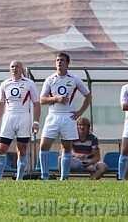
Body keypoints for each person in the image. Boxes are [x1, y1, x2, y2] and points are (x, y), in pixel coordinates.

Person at [39, 52, 92, 180]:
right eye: (57, 60)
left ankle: (64, 177)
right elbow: (42, 100)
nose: (59, 62)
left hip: (68, 116)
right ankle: (44, 176)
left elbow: (88, 96)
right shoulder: (50, 79)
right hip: (53, 115)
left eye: (62, 60)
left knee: (67, 147)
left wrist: (80, 112)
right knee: (44, 145)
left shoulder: (74, 79)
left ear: (67, 63)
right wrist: (56, 98)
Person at [0, 60, 40, 181]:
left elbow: (36, 104)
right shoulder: (5, 84)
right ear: (10, 69)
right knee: (1, 149)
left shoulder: (29, 84)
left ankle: (19, 179)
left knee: (22, 148)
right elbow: (0, 103)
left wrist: (36, 122)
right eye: (12, 66)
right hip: (9, 117)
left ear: (22, 69)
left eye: (17, 66)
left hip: (24, 117)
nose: (14, 68)